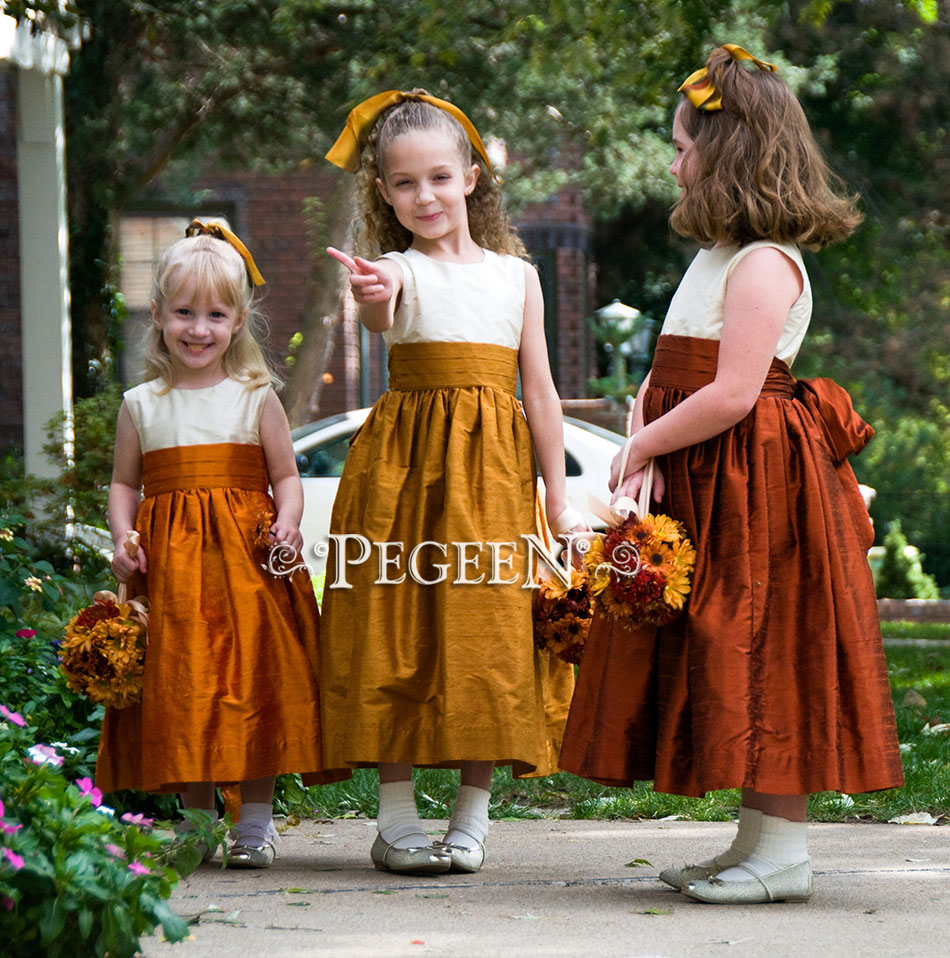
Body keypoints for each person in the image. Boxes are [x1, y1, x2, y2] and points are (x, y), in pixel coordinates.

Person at [559, 45, 904, 904]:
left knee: (764, 646)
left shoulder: (765, 262)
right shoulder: (717, 254)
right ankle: (754, 841)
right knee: (724, 649)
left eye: (683, 146)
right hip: (709, 479)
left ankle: (784, 851)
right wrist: (640, 436)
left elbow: (734, 392)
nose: (673, 162)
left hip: (758, 487)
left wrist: (644, 447)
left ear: (734, 152)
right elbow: (667, 371)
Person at [321, 90, 589, 875]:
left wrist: (557, 497)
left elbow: (538, 390)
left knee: (490, 636)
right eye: (404, 184)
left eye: (439, 177)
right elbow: (380, 313)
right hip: (402, 478)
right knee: (391, 625)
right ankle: (396, 817)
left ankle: (472, 817)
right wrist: (371, 298)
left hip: (495, 478)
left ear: (473, 176)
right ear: (383, 193)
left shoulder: (517, 278)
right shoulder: (394, 270)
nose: (424, 196)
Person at [96, 220, 343, 868]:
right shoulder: (141, 405)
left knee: (255, 684)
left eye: (214, 314)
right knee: (185, 687)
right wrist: (123, 536)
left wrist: (287, 521)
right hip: (174, 577)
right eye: (183, 313)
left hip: (247, 570)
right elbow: (125, 485)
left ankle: (254, 822)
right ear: (157, 315)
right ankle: (199, 818)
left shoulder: (254, 397)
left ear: (237, 322)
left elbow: (287, 476)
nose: (197, 329)